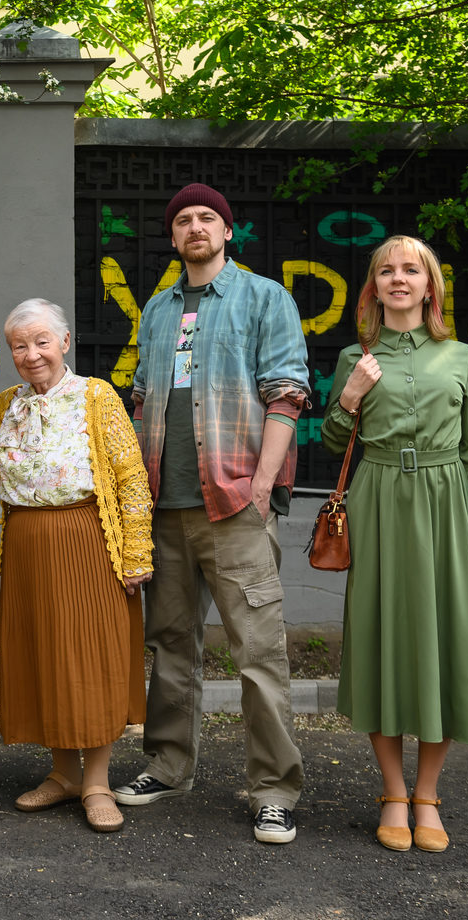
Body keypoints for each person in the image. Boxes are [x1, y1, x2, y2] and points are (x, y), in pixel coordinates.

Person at [116, 183, 308, 845]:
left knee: (258, 653)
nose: (194, 226)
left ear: (227, 230)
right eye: (183, 220)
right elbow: (142, 399)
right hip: (163, 508)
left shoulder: (265, 297)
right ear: (173, 236)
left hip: (234, 506)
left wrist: (261, 486)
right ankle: (169, 767)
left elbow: (287, 394)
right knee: (170, 646)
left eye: (207, 217)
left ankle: (274, 790)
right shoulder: (157, 309)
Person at [323, 235, 468, 853]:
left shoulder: (459, 356)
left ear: (429, 286)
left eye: (411, 270)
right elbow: (331, 440)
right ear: (373, 288)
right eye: (386, 271)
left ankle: (427, 795)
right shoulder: (355, 356)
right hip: (378, 501)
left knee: (444, 640)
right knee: (382, 637)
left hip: (447, 503)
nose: (399, 278)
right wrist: (351, 395)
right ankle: (393, 793)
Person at [0, 298, 153, 832]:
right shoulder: (6, 404)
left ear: (65, 342)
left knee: (92, 656)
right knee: (45, 657)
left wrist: (135, 554)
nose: (32, 354)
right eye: (19, 346)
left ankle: (97, 783)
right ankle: (63, 775)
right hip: (27, 547)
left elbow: (131, 478)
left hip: (88, 540)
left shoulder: (97, 396)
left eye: (42, 341)